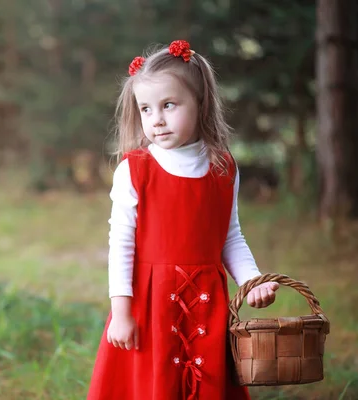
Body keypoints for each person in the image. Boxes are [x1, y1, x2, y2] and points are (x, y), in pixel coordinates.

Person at [86, 40, 280, 400]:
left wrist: (252, 281)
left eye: (169, 105)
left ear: (201, 103)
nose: (156, 119)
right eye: (145, 109)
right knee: (151, 383)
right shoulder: (135, 170)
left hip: (206, 302)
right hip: (151, 304)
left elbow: (230, 236)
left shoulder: (223, 168)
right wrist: (121, 313)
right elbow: (121, 246)